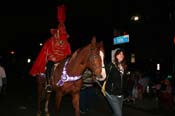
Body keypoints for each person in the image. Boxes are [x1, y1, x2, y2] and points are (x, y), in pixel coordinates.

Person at [29, 4, 71, 93]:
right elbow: (47, 51)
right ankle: (48, 83)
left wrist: (67, 58)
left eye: (63, 31)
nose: (62, 33)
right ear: (58, 31)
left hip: (63, 60)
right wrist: (53, 57)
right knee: (49, 65)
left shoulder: (66, 42)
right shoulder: (51, 40)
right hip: (53, 59)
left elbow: (68, 52)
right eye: (61, 31)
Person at [103, 48, 127, 116]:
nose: (122, 55)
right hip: (111, 93)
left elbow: (123, 81)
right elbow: (103, 75)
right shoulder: (111, 65)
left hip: (120, 94)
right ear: (115, 55)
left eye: (122, 54)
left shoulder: (123, 66)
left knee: (116, 113)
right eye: (119, 54)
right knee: (119, 114)